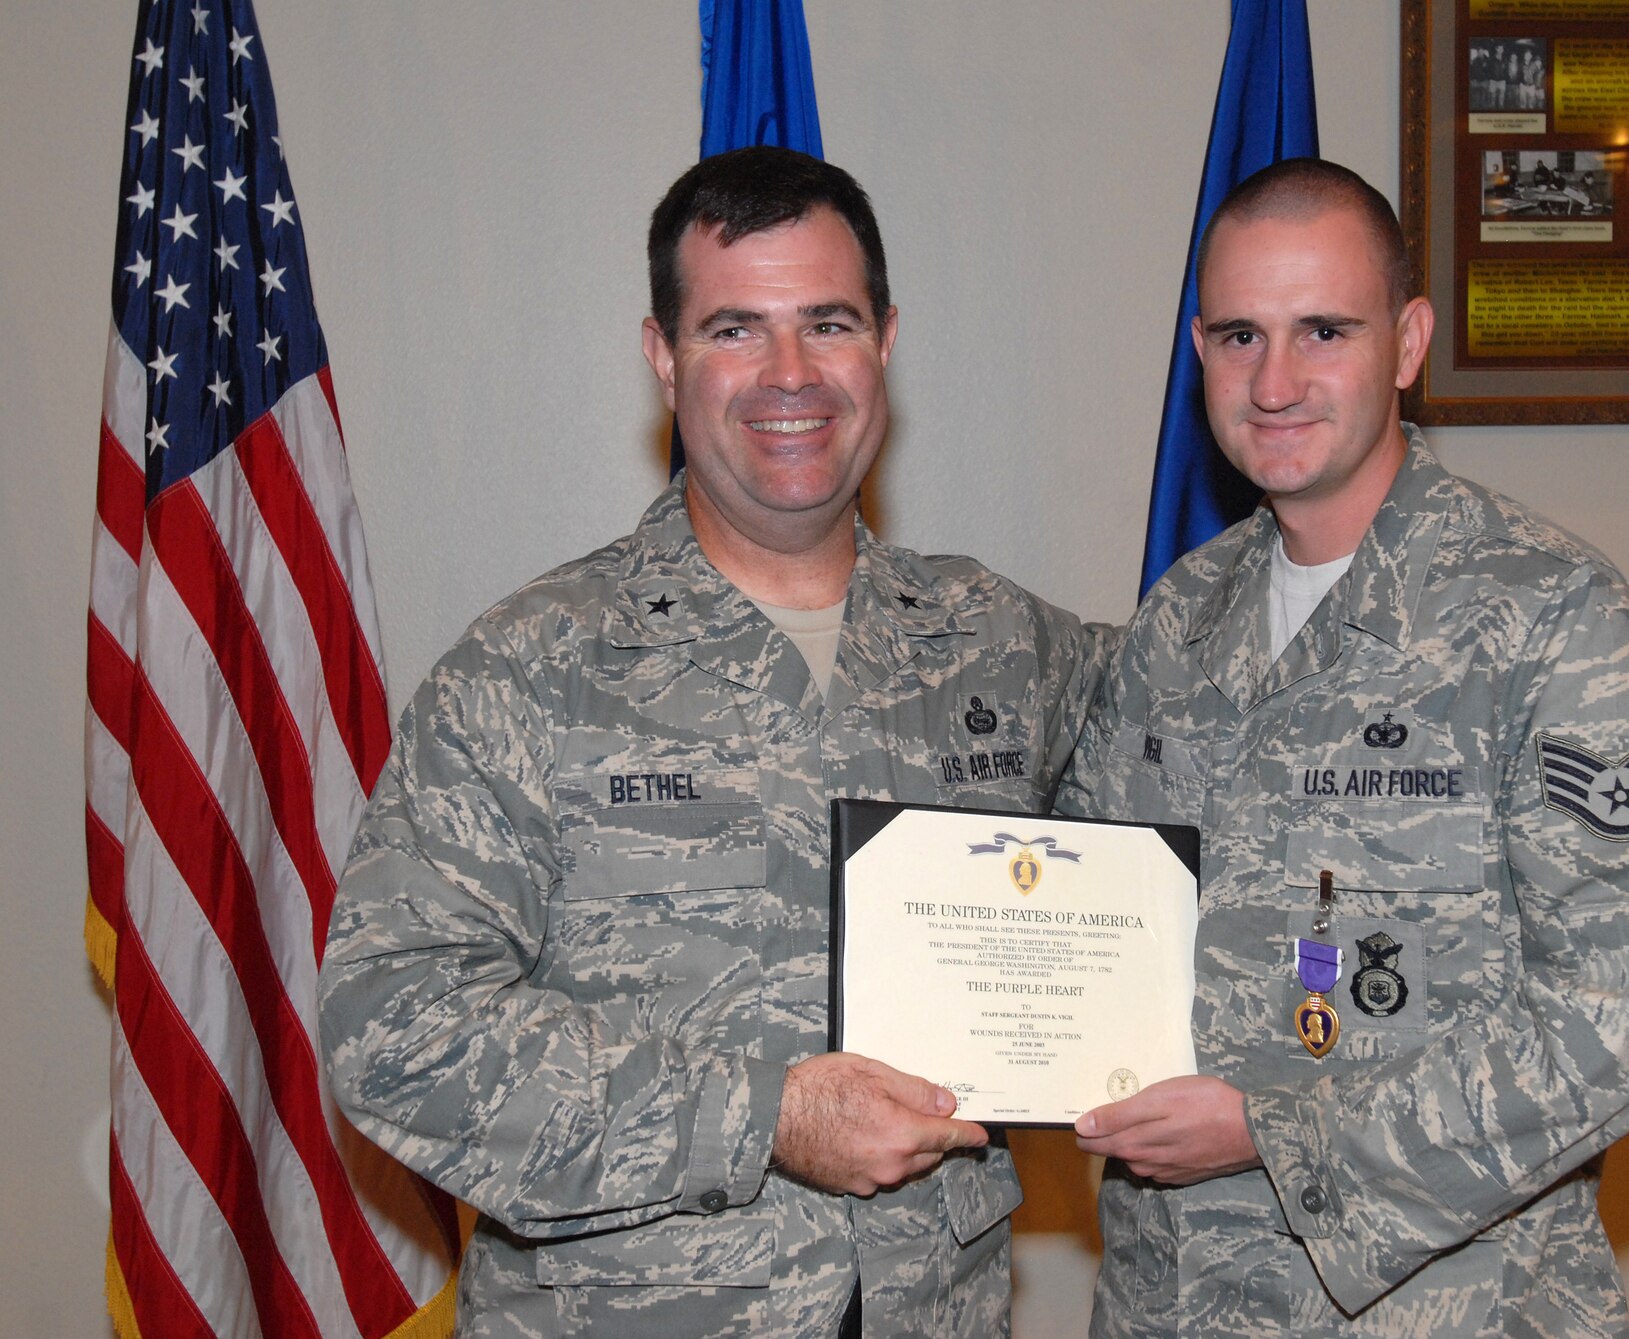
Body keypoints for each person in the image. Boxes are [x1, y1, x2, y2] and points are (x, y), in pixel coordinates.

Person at [319, 146, 1102, 1339]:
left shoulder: (999, 645)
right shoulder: (534, 667)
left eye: (828, 323)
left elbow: (1218, 736)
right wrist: (758, 1116)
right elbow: (393, 1026)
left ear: (885, 339)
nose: (790, 375)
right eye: (735, 328)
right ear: (662, 355)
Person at [1058, 158, 1629, 1336]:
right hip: (1175, 1303)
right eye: (1236, 335)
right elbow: (1100, 924)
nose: (1273, 381)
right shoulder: (1178, 620)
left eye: (1323, 330)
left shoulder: (1545, 619)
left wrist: (1279, 1135)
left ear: (1407, 343)